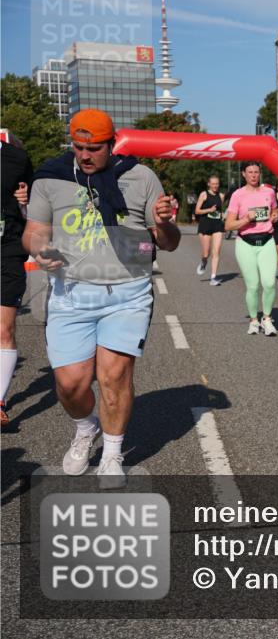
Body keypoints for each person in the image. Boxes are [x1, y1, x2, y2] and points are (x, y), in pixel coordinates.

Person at [22, 108, 180, 486]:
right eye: (78, 147)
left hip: (128, 292)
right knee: (71, 385)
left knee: (114, 375)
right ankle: (85, 427)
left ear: (111, 144)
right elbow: (34, 231)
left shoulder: (140, 177)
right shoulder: (51, 176)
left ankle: (112, 452)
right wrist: (41, 249)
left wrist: (162, 223)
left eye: (94, 148)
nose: (85, 155)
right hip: (71, 292)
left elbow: (170, 243)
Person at [225, 161, 278, 336]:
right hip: (245, 243)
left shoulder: (269, 192)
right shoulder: (237, 195)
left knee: (270, 283)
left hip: (267, 241)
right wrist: (247, 219)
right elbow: (228, 225)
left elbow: (274, 211)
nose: (254, 175)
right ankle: (254, 321)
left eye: (256, 172)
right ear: (243, 174)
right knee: (253, 286)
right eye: (250, 172)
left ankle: (266, 318)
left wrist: (275, 215)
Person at [1, 138, 33, 427]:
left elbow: (35, 202)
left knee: (3, 328)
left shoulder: (16, 158)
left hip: (7, 250)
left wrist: (25, 202)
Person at [194, 175, 226, 286]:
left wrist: (223, 216)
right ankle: (203, 262)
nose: (215, 186)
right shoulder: (204, 194)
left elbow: (220, 211)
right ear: (209, 184)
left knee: (216, 251)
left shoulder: (221, 196)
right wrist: (209, 210)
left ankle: (213, 277)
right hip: (205, 225)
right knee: (206, 253)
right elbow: (197, 211)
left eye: (217, 183)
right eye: (213, 184)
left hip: (217, 225)